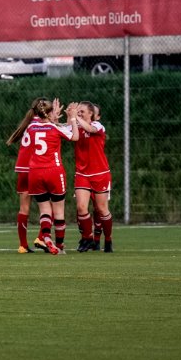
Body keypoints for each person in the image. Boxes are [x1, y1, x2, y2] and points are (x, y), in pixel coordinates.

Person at [9, 98, 79, 255]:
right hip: (51, 170)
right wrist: (71, 118)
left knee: (30, 208)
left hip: (29, 169)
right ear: (48, 113)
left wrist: (52, 118)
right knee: (57, 208)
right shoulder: (53, 127)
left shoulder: (30, 125)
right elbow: (72, 135)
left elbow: (48, 126)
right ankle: (54, 243)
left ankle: (25, 244)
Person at [72, 101, 114, 253]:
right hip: (82, 174)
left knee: (102, 209)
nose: (79, 113)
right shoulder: (76, 126)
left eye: (82, 111)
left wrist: (75, 117)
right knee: (81, 207)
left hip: (100, 174)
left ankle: (108, 239)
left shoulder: (98, 126)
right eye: (79, 111)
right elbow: (60, 130)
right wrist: (56, 118)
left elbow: (89, 128)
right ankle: (88, 238)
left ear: (91, 114)